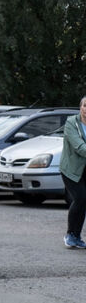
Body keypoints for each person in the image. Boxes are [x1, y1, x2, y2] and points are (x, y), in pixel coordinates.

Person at [59, 96, 86, 249]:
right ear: (80, 107)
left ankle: (77, 236)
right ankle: (70, 234)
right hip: (71, 169)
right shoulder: (71, 123)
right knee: (80, 198)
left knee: (84, 201)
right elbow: (79, 146)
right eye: (84, 105)